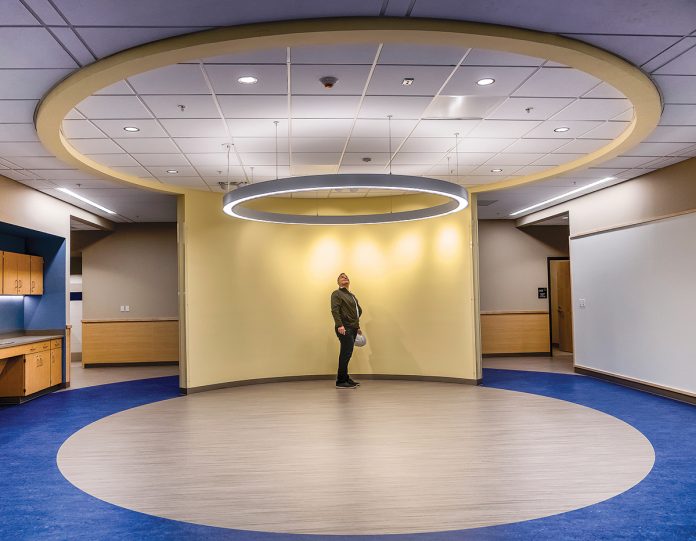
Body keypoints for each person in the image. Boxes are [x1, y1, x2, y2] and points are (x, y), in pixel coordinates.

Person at [330, 272, 363, 389]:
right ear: (338, 282)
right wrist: (340, 325)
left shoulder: (352, 296)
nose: (345, 278)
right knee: (345, 353)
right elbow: (335, 310)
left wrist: (357, 326)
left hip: (352, 327)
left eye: (347, 277)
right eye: (342, 277)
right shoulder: (336, 294)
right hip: (344, 327)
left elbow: (356, 312)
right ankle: (340, 381)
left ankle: (345, 378)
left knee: (347, 354)